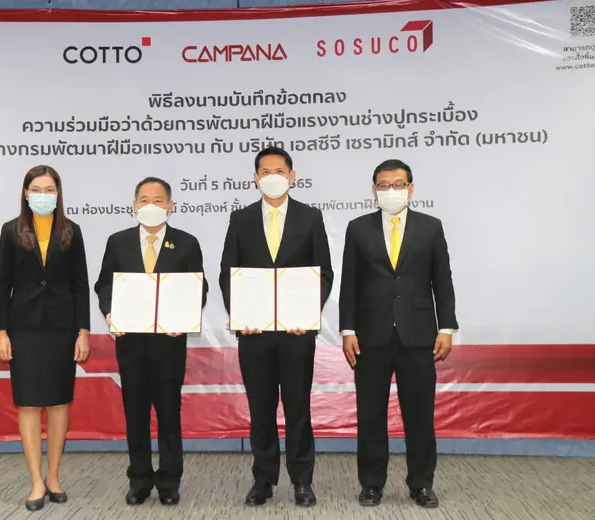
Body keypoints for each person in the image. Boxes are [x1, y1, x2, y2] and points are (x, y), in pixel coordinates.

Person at [338, 159, 458, 509]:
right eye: (383, 185)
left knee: (419, 416)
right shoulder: (358, 228)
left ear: (411, 188)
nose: (391, 190)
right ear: (374, 189)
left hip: (418, 336)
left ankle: (421, 483)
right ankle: (371, 484)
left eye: (398, 184)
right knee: (370, 414)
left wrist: (446, 327)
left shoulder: (430, 227)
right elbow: (349, 282)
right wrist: (347, 329)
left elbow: (442, 280)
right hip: (370, 336)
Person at [219, 147, 334, 508]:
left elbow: (324, 272)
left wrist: (308, 314)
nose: (273, 177)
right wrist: (241, 315)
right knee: (261, 409)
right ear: (256, 178)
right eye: (266, 171)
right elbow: (228, 273)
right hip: (254, 335)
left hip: (297, 334)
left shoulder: (310, 217)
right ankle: (263, 480)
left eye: (279, 171)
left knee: (298, 408)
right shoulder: (241, 219)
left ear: (291, 176)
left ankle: (302, 481)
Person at [94, 177, 208, 507]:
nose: (151, 206)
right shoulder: (118, 242)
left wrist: (184, 319)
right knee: (136, 414)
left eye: (158, 200)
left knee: (169, 414)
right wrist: (111, 313)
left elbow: (198, 288)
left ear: (170, 206)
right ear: (134, 205)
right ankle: (139, 480)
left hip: (169, 345)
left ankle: (170, 482)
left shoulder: (186, 243)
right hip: (131, 344)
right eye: (144, 200)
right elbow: (104, 285)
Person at [0, 165, 91, 512]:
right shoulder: (10, 231)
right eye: (36, 189)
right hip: (24, 330)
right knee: (29, 404)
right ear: (25, 193)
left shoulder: (72, 231)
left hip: (62, 330)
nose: (43, 195)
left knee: (59, 403)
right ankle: (35, 480)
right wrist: (1, 332)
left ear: (58, 193)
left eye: (49, 190)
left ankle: (53, 476)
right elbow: (3, 284)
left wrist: (83, 331)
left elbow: (81, 285)